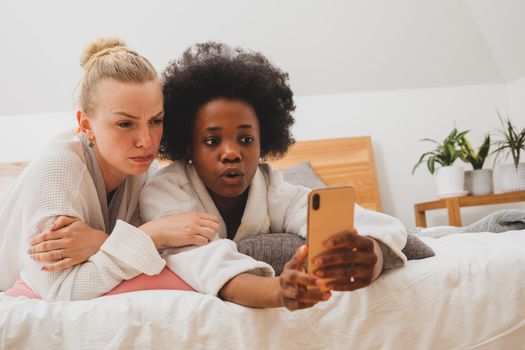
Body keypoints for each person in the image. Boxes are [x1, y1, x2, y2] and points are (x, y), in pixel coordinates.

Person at [138, 42, 408, 309]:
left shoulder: (271, 187)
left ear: (263, 143)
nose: (231, 153)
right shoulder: (164, 192)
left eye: (245, 138)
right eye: (212, 141)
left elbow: (378, 224)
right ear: (189, 148)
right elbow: (206, 262)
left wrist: (371, 255)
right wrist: (278, 290)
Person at [0, 37, 236, 300]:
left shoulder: (144, 172)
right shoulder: (57, 171)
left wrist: (101, 240)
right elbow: (60, 290)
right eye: (125, 124)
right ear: (86, 124)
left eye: (156, 121)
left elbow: (144, 253)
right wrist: (150, 234)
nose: (146, 141)